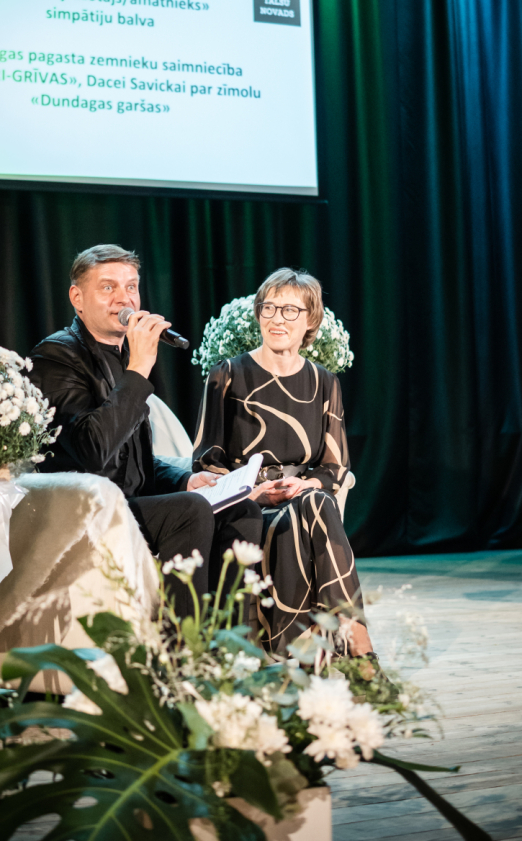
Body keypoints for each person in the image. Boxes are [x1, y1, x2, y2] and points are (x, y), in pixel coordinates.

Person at [27, 244, 263, 619]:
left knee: (241, 508)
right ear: (77, 298)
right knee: (189, 511)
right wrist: (138, 370)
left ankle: (229, 640)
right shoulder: (55, 357)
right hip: (84, 511)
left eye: (131, 287)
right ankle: (179, 648)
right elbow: (93, 450)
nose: (124, 298)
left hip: (131, 504)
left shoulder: (125, 357)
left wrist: (185, 479)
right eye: (108, 287)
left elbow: (133, 459)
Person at [192, 267, 375, 659]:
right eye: (269, 307)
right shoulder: (227, 375)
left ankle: (296, 659)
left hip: (303, 497)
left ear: (310, 320)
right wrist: (253, 491)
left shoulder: (324, 382)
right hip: (247, 503)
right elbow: (207, 461)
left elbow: (335, 466)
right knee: (312, 511)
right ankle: (357, 646)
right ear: (258, 314)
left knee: (313, 502)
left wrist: (305, 485)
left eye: (291, 310)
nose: (278, 318)